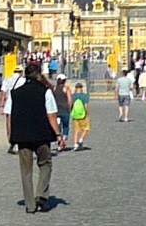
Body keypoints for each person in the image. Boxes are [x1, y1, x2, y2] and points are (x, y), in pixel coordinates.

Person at [9, 61, 63, 215]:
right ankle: (41, 195)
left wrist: (11, 135)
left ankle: (30, 204)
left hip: (22, 135)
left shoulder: (16, 92)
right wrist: (58, 134)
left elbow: (11, 115)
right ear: (39, 75)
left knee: (25, 171)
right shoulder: (44, 91)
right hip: (41, 134)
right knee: (45, 164)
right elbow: (51, 114)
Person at [70, 78, 90, 149]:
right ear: (81, 88)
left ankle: (75, 144)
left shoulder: (73, 96)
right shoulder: (84, 96)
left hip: (75, 114)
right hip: (82, 114)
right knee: (86, 128)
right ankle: (81, 139)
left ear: (75, 88)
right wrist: (86, 113)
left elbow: (71, 104)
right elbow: (86, 106)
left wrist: (71, 111)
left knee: (76, 130)